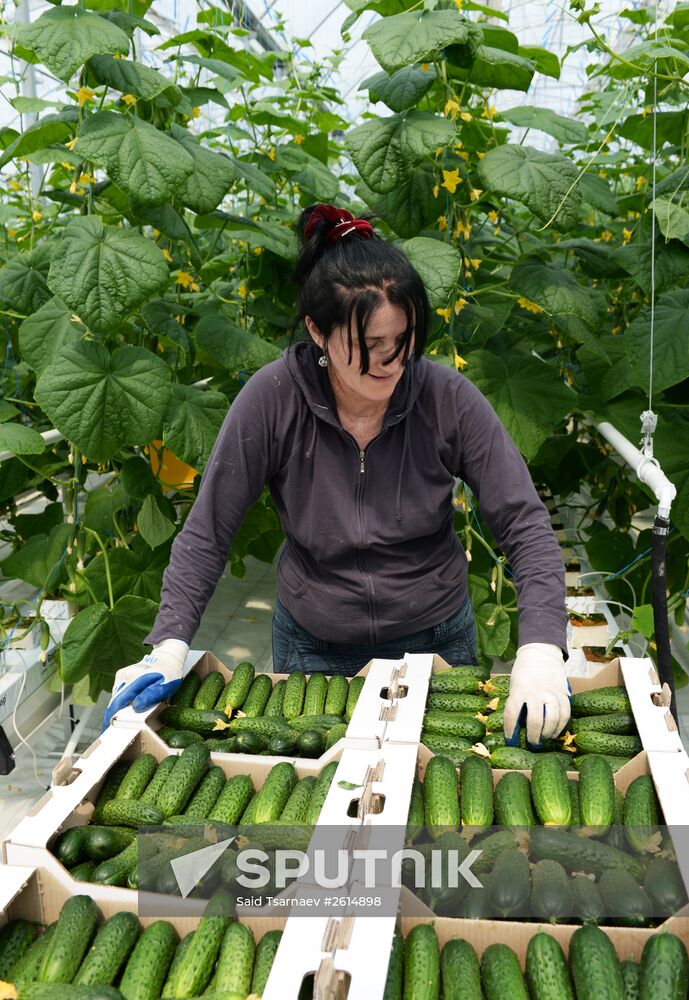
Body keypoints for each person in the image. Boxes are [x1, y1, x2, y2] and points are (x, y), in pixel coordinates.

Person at [104, 203, 570, 745]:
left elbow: (524, 523)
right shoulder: (272, 399)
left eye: (404, 338)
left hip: (437, 641)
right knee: (323, 809)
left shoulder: (447, 398)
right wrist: (168, 643)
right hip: (315, 651)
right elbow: (208, 532)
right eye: (369, 345)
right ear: (317, 332)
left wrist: (541, 647)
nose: (391, 361)